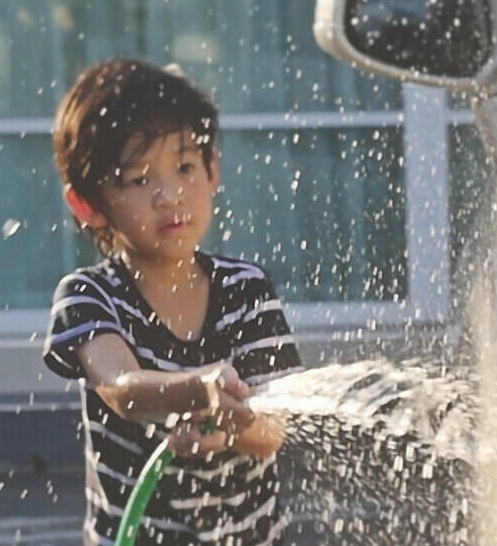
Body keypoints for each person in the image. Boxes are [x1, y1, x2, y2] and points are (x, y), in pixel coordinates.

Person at [42, 57, 303, 546]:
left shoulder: (246, 289)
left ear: (212, 171)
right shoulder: (88, 296)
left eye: (184, 167)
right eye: (139, 179)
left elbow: (273, 431)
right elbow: (122, 387)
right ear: (87, 205)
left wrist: (226, 430)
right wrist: (195, 389)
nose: (168, 195)